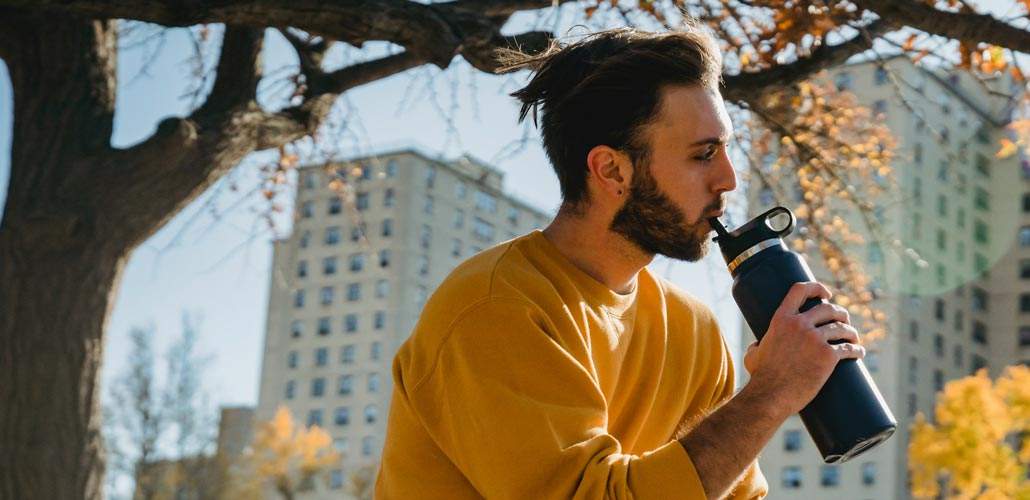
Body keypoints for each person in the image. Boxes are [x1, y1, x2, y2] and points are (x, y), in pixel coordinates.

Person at [375, 25, 864, 499]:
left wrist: (778, 388)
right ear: (611, 170)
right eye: (703, 154)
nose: (728, 179)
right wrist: (771, 393)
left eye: (725, 149)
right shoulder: (494, 308)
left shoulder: (692, 328)